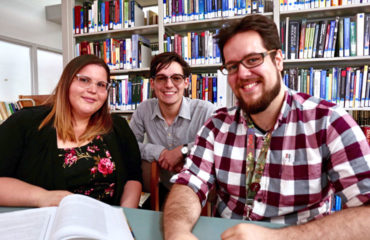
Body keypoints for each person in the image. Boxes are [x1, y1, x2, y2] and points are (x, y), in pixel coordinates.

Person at [163, 14, 370, 240]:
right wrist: (178, 232)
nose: (242, 73)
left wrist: (275, 238)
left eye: (253, 60)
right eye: (232, 66)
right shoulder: (216, 126)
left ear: (278, 59)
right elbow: (189, 185)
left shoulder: (329, 122)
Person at [0, 54, 142, 208]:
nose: (93, 90)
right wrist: (43, 197)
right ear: (66, 82)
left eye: (101, 84)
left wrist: (125, 215)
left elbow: (133, 178)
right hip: (44, 224)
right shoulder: (25, 122)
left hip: (106, 224)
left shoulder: (118, 126)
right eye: (84, 80)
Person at [129, 52, 216, 201]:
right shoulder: (144, 109)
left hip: (199, 192)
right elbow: (129, 146)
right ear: (152, 83)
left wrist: (183, 151)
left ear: (186, 83)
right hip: (162, 187)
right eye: (161, 78)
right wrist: (160, 153)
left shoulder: (205, 110)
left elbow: (218, 145)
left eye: (176, 78)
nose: (169, 84)